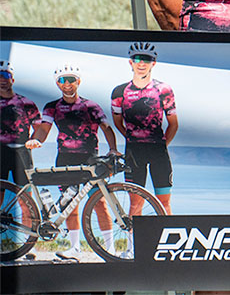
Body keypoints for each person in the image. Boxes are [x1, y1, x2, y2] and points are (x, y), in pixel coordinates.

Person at [29, 65, 116, 260]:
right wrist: (37, 140)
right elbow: (44, 128)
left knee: (100, 203)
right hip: (65, 158)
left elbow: (106, 128)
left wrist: (112, 148)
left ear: (78, 81)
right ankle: (74, 248)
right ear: (57, 83)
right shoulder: (52, 106)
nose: (66, 83)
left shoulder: (90, 106)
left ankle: (110, 248)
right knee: (70, 205)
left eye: (71, 79)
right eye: (62, 80)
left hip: (90, 159)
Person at [111, 42, 177, 215]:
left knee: (164, 203)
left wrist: (162, 144)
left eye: (146, 60)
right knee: (135, 204)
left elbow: (174, 124)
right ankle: (134, 242)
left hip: (158, 152)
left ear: (153, 63)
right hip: (134, 153)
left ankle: (167, 238)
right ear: (130, 62)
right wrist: (133, 138)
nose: (141, 64)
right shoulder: (119, 92)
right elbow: (118, 122)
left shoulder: (164, 89)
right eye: (137, 59)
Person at [0, 61, 43, 185]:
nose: (2, 79)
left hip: (22, 152)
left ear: (12, 80)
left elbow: (39, 127)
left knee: (26, 196)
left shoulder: (26, 103)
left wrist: (34, 140)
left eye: (5, 75)